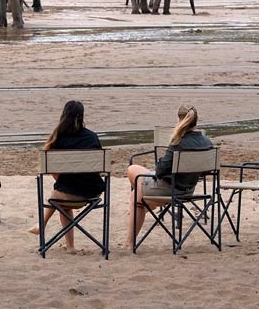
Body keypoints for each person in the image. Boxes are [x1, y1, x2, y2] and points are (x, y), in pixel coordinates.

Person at [124, 105, 213, 249]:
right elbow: (206, 171)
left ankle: (130, 240)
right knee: (138, 184)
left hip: (170, 189)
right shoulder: (207, 142)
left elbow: (160, 172)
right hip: (189, 190)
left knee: (133, 174)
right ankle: (145, 205)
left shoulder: (178, 142)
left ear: (179, 120)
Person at [28, 100, 105, 253]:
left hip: (69, 193)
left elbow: (47, 165)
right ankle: (68, 245)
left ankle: (43, 226)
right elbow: (99, 167)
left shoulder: (58, 138)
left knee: (60, 199)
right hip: (93, 192)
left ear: (64, 115)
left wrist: (61, 182)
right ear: (82, 116)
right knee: (63, 201)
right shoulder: (92, 137)